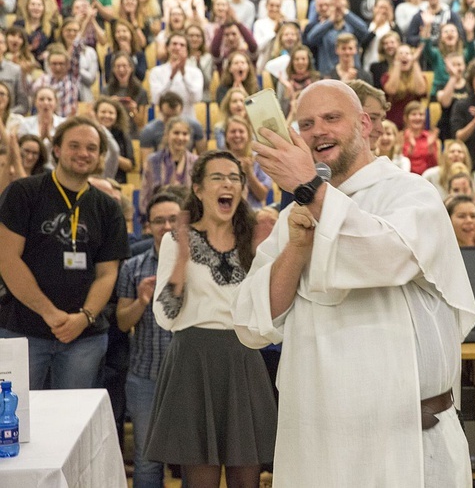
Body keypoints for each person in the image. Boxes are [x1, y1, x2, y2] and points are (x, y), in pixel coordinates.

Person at [232, 79, 475, 486]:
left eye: (332, 118)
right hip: (319, 445)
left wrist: (310, 188)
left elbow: (384, 257)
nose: (318, 131)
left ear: (365, 125)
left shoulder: (411, 193)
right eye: (306, 124)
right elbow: (253, 322)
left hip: (408, 443)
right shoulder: (300, 210)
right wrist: (295, 248)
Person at [146, 151, 277, 488]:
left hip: (243, 358)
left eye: (235, 177)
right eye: (218, 177)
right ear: (199, 189)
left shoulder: (255, 240)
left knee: (246, 479)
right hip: (193, 360)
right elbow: (165, 316)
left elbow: (267, 308)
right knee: (200, 480)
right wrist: (181, 262)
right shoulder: (177, 240)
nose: (228, 184)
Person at [0, 116, 130, 390]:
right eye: (74, 145)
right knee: (16, 419)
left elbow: (107, 273)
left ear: (100, 157)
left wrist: (84, 318)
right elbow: (7, 259)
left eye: (92, 148)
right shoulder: (23, 193)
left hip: (84, 338)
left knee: (73, 422)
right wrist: (50, 313)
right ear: (57, 149)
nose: (83, 154)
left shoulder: (108, 208)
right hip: (22, 331)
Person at [116, 192, 181, 488]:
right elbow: (121, 321)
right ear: (147, 226)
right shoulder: (133, 267)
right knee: (146, 459)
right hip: (146, 377)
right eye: (159, 221)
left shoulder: (198, 265)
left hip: (189, 376)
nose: (166, 226)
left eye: (173, 219)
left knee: (194, 459)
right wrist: (142, 301)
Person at [139, 117, 199, 215]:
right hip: (160, 216)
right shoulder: (153, 161)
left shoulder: (197, 162)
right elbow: (146, 195)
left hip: (189, 217)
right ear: (167, 135)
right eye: (176, 133)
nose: (180, 138)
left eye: (185, 134)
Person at [149, 31, 204, 120]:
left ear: (187, 49)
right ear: (167, 47)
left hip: (188, 120)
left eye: (182, 45)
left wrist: (183, 75)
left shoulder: (196, 72)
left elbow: (197, 98)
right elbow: (156, 99)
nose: (178, 47)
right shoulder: (156, 72)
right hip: (164, 121)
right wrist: (171, 77)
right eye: (174, 44)